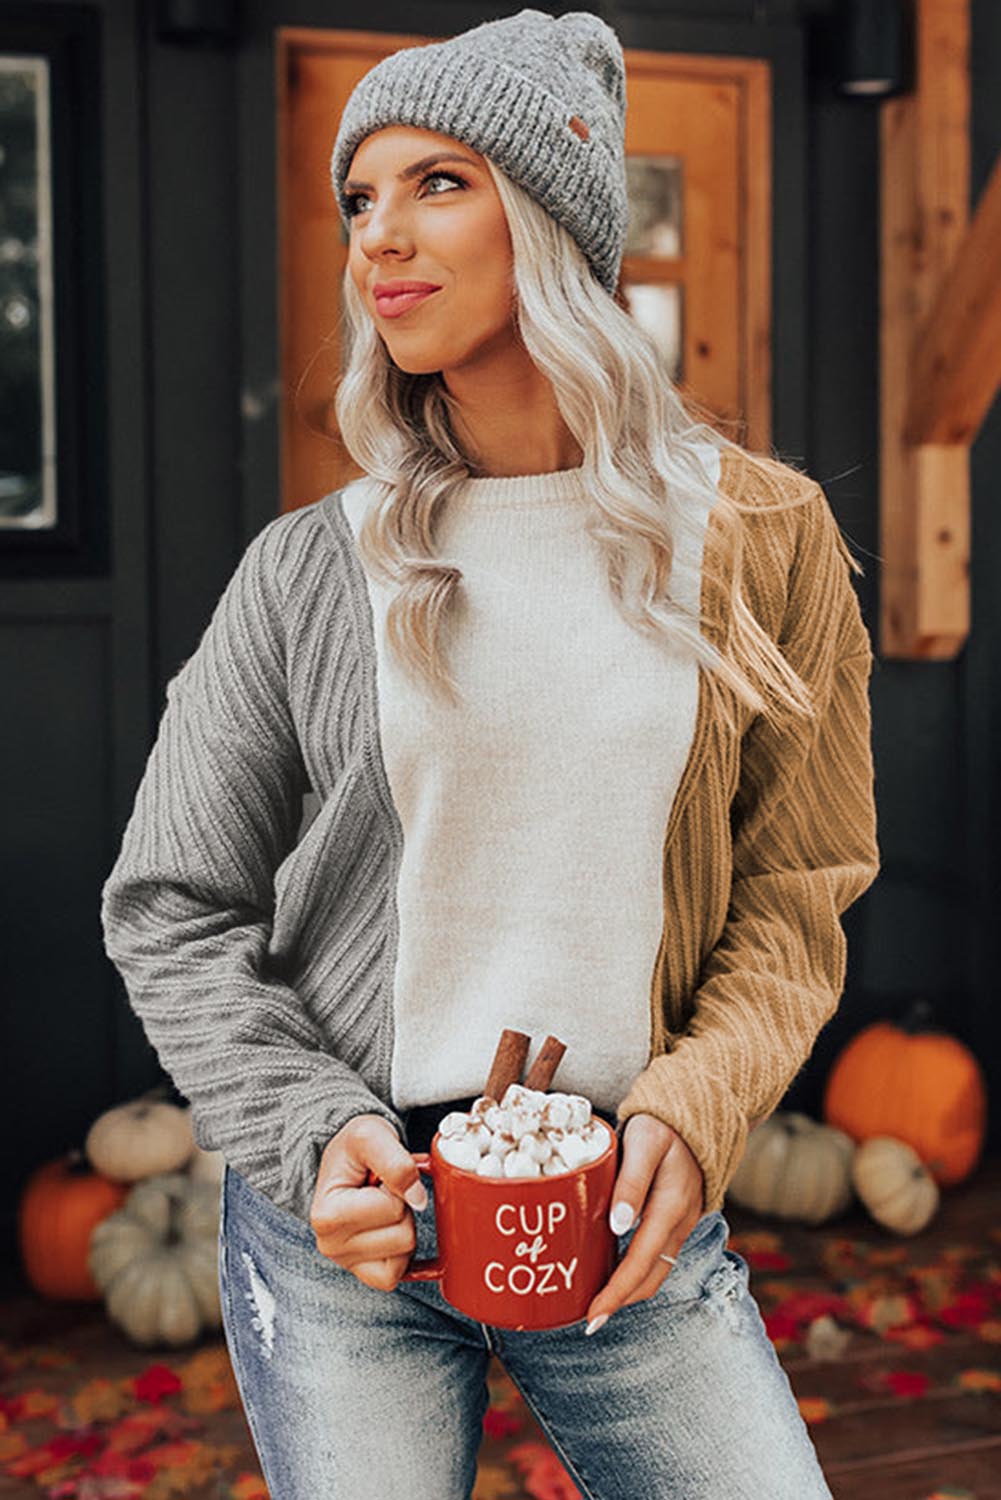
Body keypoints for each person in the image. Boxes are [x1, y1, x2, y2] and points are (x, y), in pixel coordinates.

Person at [100, 9, 879, 1497]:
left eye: (437, 181)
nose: (377, 237)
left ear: (552, 217)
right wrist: (305, 1130)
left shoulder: (762, 538)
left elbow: (799, 886)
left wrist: (696, 1108)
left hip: (621, 1200)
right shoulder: (305, 572)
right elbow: (170, 905)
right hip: (355, 1234)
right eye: (358, 197)